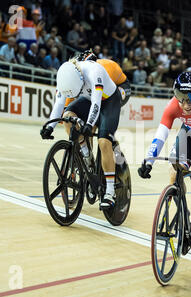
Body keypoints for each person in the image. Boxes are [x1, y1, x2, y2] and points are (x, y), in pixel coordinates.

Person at [138, 71, 191, 246]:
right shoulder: (173, 105)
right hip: (189, 132)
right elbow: (160, 135)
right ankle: (184, 213)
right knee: (174, 172)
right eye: (181, 97)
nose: (186, 103)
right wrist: (148, 160)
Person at [40, 51, 130, 208]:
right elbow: (59, 105)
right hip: (87, 99)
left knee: (103, 141)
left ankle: (109, 192)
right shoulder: (65, 75)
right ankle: (87, 155)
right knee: (68, 116)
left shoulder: (94, 72)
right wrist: (49, 126)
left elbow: (96, 104)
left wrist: (89, 125)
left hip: (109, 101)